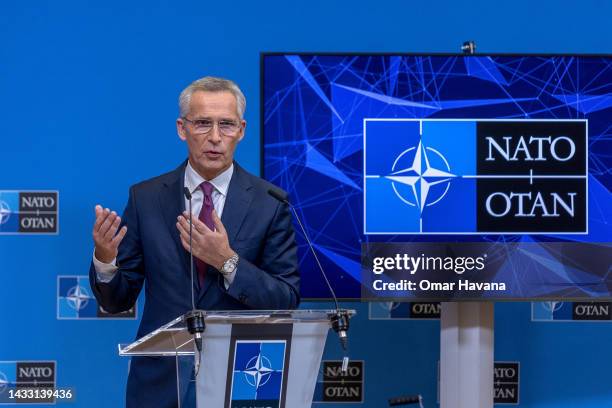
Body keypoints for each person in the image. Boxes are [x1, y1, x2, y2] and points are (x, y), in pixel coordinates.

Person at [88, 76, 300, 407]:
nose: (215, 137)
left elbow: (285, 299)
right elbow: (116, 301)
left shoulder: (269, 203)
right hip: (160, 385)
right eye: (202, 123)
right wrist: (106, 260)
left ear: (241, 130)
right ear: (181, 128)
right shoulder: (146, 199)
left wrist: (227, 261)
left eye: (226, 125)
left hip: (242, 380)